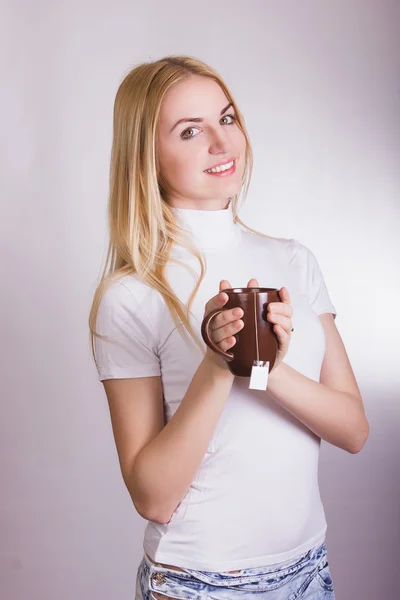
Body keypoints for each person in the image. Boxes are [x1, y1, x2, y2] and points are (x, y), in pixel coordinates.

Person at [88, 55, 369, 600]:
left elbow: (353, 431)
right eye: (190, 131)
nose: (222, 142)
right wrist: (217, 367)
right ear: (147, 155)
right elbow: (152, 498)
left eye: (228, 118)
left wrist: (265, 368)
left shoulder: (295, 260)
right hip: (201, 585)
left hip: (310, 570)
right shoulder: (132, 293)